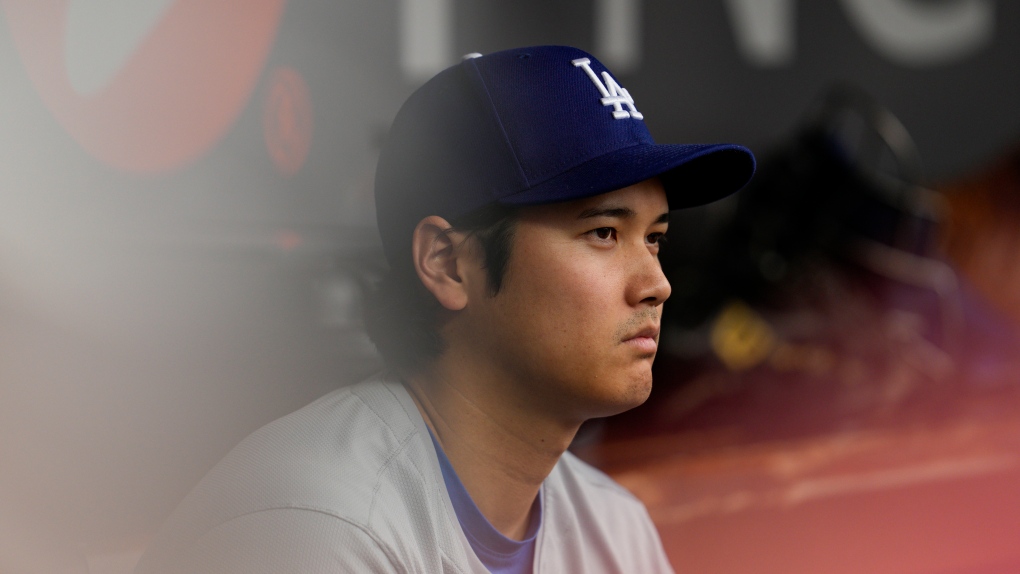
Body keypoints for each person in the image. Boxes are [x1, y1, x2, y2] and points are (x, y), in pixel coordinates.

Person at [134, 45, 754, 574]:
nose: (656, 284)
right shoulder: (312, 528)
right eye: (602, 233)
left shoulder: (617, 532)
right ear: (447, 263)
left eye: (655, 239)